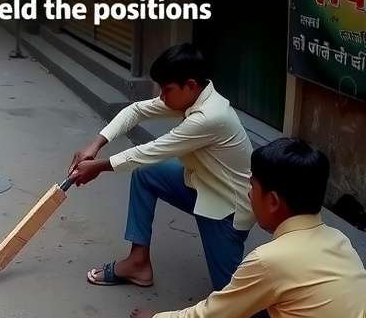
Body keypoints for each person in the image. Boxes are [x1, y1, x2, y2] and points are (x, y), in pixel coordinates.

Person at [68, 43, 253, 291]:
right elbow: (136, 110)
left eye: (167, 90)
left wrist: (98, 167)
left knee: (232, 299)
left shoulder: (210, 116)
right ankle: (138, 262)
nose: (162, 98)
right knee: (147, 175)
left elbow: (150, 151)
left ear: (190, 85)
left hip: (226, 209)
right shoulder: (193, 96)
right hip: (199, 185)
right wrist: (95, 144)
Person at [132, 138, 366, 317]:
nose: (249, 193)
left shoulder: (269, 260)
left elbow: (211, 314)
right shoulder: (340, 240)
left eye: (253, 186)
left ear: (273, 201)